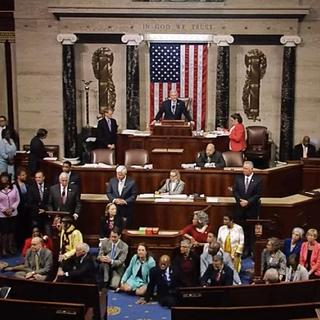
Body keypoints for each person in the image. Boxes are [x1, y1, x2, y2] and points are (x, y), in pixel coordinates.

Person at [233, 160, 262, 257]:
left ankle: (252, 250)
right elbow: (235, 191)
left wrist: (248, 202)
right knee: (242, 231)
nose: (243, 170)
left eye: (246, 169)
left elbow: (258, 194)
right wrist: (240, 200)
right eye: (243, 168)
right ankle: (244, 250)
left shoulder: (258, 180)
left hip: (252, 210)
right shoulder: (238, 178)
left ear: (251, 169)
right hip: (240, 209)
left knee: (251, 232)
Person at [0, 172, 20, 257]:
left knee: (12, 231)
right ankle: (3, 249)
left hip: (13, 213)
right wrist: (4, 209)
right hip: (2, 214)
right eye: (2, 178)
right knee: (4, 232)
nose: (4, 179)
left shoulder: (14, 187)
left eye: (6, 177)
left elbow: (17, 199)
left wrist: (12, 208)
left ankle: (10, 248)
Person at [27, 170, 51, 235]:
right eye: (36, 177)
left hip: (46, 215)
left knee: (48, 234)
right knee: (36, 235)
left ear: (43, 177)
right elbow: (29, 203)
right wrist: (38, 209)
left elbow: (50, 201)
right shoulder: (31, 188)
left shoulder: (49, 187)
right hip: (36, 216)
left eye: (39, 177)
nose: (37, 179)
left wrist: (45, 210)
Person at [14, 166, 31, 249]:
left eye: (25, 175)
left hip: (26, 210)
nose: (25, 176)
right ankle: (19, 245)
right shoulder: (14, 185)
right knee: (19, 229)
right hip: (18, 210)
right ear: (18, 176)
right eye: (23, 175)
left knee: (26, 228)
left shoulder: (27, 184)